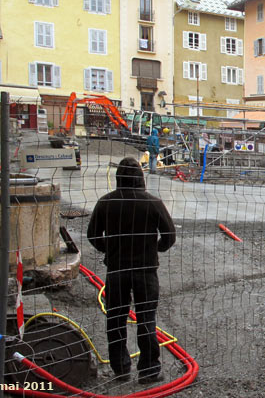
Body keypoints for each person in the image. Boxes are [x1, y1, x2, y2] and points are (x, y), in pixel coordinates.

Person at [87, 157, 176, 384]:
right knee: (146, 319)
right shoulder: (152, 203)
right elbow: (169, 236)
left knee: (115, 319)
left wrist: (110, 249)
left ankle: (121, 369)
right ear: (140, 177)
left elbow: (93, 235)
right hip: (145, 270)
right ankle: (149, 371)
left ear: (118, 177)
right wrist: (155, 249)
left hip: (116, 270)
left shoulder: (106, 203)